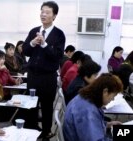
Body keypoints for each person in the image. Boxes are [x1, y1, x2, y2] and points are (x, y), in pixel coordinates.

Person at [22, 1, 66, 139]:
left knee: (47, 106)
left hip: (48, 77)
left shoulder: (59, 34)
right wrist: (32, 42)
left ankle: (46, 132)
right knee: (31, 105)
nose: (43, 14)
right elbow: (25, 51)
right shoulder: (34, 31)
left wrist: (44, 44)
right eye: (42, 11)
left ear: (54, 16)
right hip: (32, 75)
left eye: (47, 12)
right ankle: (31, 131)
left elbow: (57, 57)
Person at [63, 73, 123, 141]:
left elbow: (89, 126)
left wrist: (107, 124)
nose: (113, 99)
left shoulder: (84, 98)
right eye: (113, 96)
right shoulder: (87, 111)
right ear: (105, 92)